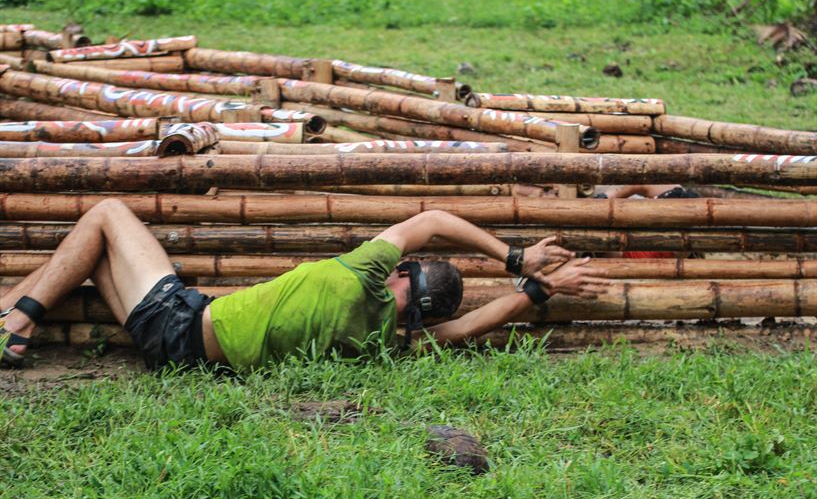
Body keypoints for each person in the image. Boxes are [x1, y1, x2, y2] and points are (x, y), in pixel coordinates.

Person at [0, 199, 611, 370]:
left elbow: (432, 221)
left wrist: (518, 257)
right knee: (87, 255)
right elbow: (469, 327)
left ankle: (20, 319)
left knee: (106, 214)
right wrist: (539, 293)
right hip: (176, 351)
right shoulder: (389, 343)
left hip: (178, 321)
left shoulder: (363, 277)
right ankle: (6, 319)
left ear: (401, 274)